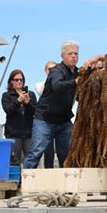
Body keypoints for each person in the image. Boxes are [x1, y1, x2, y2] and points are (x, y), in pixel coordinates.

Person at [23, 41, 79, 169]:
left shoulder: (77, 72)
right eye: (70, 53)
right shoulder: (56, 71)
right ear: (62, 56)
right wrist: (75, 82)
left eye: (76, 53)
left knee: (68, 154)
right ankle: (24, 183)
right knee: (35, 152)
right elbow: (57, 86)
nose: (73, 56)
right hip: (45, 119)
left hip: (64, 120)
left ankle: (68, 186)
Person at [1, 69, 37, 165]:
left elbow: (36, 112)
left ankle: (29, 179)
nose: (19, 82)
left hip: (29, 133)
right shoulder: (6, 96)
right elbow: (8, 110)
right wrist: (18, 101)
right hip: (13, 133)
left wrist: (28, 103)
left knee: (31, 159)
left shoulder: (31, 94)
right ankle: (16, 180)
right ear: (11, 81)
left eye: (21, 80)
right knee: (14, 161)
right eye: (16, 80)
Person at [35, 60, 59, 168]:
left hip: (60, 121)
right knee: (48, 151)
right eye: (50, 69)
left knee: (63, 151)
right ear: (45, 71)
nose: (52, 71)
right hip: (46, 122)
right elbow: (43, 90)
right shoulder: (40, 85)